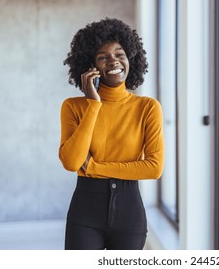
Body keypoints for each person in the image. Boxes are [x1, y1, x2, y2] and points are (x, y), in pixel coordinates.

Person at [59, 17, 165, 250]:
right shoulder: (73, 106)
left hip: (130, 214)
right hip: (85, 214)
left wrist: (95, 168)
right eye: (103, 57)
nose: (113, 61)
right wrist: (93, 105)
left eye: (119, 54)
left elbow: (154, 168)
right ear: (90, 66)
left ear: (131, 59)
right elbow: (71, 162)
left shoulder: (147, 107)